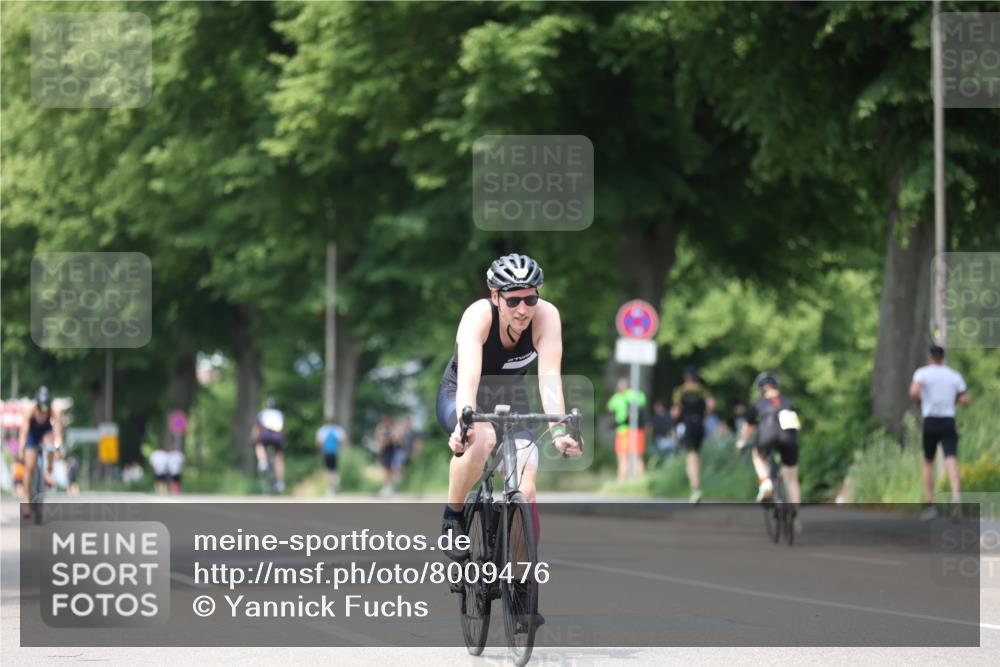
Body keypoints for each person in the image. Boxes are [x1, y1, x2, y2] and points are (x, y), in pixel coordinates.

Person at [437, 253, 582, 555]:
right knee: (482, 438)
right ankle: (453, 516)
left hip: (511, 398)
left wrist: (558, 432)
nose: (522, 309)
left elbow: (550, 378)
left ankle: (520, 583)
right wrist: (467, 425)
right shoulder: (478, 316)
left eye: (530, 299)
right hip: (463, 393)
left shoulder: (547, 317)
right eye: (513, 301)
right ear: (495, 296)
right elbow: (468, 380)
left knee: (526, 484)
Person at [910, 344, 970, 520]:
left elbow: (914, 391)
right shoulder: (954, 375)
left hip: (931, 420)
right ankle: (956, 498)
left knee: (928, 462)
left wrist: (921, 400)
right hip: (948, 420)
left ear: (930, 357)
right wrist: (951, 399)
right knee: (951, 459)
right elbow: (966, 399)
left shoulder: (922, 373)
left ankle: (930, 505)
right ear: (943, 357)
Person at [737, 372, 802, 533]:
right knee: (792, 478)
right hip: (789, 438)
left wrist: (742, 442)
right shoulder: (787, 401)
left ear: (760, 389)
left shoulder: (758, 403)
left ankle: (765, 482)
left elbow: (748, 428)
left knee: (757, 455)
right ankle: (795, 518)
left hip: (767, 434)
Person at [671, 367, 715, 503]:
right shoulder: (702, 390)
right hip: (700, 425)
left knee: (690, 456)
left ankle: (695, 488)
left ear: (686, 378)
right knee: (696, 453)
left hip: (688, 425)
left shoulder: (680, 391)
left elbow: (675, 412)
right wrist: (704, 415)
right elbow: (711, 404)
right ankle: (697, 482)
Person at [19, 387, 62, 519]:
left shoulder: (54, 410)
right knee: (29, 466)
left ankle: (49, 470)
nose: (43, 412)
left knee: (50, 445)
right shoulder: (29, 410)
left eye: (45, 408)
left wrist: (58, 446)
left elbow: (57, 431)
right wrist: (21, 449)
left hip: (45, 432)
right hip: (32, 434)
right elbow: (24, 431)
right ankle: (26, 501)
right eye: (40, 408)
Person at [607, 378, 647, 479]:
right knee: (637, 457)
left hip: (623, 430)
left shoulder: (617, 397)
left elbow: (609, 407)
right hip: (637, 430)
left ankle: (622, 480)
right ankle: (641, 481)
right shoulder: (637, 394)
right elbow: (643, 401)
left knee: (622, 457)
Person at [251, 397, 286, 493]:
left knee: (259, 445)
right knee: (279, 459)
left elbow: (257, 428)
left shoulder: (262, 413)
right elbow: (283, 429)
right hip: (278, 437)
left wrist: (254, 439)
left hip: (265, 435)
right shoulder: (280, 414)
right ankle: (280, 482)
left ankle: (263, 462)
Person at [316, 421, 347, 496]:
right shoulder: (338, 430)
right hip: (335, 452)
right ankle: (335, 485)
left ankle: (329, 489)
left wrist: (320, 451)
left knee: (327, 470)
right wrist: (341, 448)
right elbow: (343, 440)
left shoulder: (323, 430)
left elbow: (319, 441)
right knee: (334, 470)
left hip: (326, 452)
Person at [392, 416, 422, 486]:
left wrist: (417, 453)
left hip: (408, 452)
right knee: (397, 464)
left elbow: (417, 443)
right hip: (400, 451)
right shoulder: (400, 431)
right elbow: (396, 441)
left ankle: (401, 479)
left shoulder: (413, 432)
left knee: (400, 464)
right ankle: (399, 479)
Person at [375, 415, 398, 496]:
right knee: (386, 469)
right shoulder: (383, 429)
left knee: (389, 470)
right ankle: (387, 487)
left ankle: (389, 487)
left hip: (390, 450)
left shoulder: (393, 429)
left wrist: (387, 440)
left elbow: (395, 440)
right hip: (384, 450)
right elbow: (378, 439)